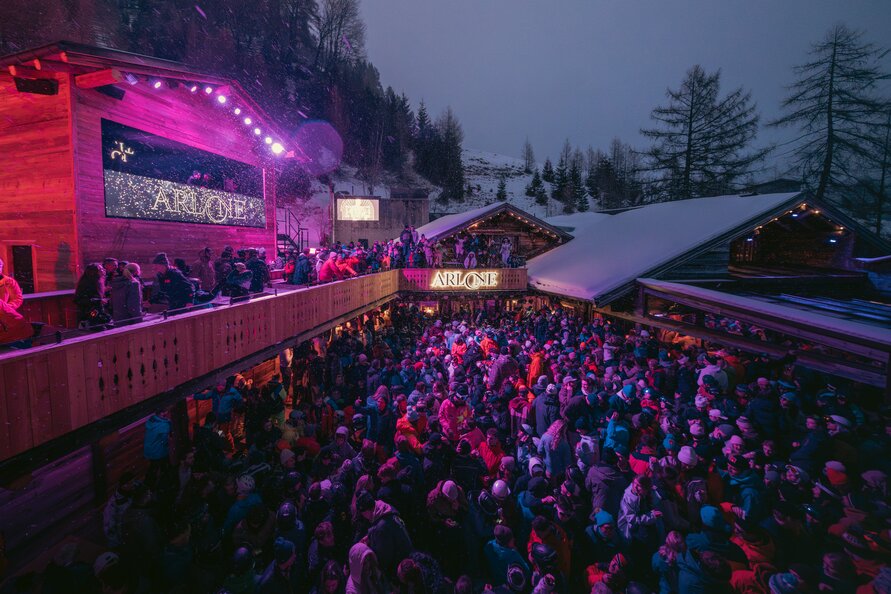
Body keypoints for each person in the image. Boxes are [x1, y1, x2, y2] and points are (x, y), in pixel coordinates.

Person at [0, 256, 32, 343]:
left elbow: (17, 299)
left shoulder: (9, 282)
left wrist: (6, 308)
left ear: (2, 267)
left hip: (7, 315)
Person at [74, 262, 109, 327]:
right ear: (93, 272)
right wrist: (98, 300)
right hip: (88, 315)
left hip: (97, 312)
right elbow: (78, 300)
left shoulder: (98, 281)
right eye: (100, 269)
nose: (103, 270)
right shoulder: (85, 283)